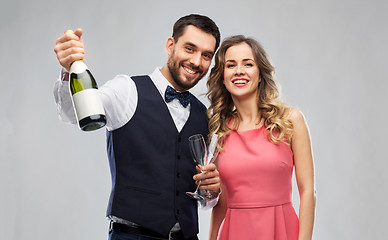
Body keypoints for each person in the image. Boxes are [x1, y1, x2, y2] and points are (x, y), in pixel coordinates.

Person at [53, 14, 221, 240]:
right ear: (170, 45)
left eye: (206, 55)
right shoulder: (127, 90)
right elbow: (72, 112)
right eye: (189, 49)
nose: (196, 61)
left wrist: (211, 191)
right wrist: (68, 70)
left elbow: (202, 196)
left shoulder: (204, 114)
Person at [206, 35, 316, 240]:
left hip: (281, 230)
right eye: (231, 65)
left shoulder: (290, 120)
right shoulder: (219, 130)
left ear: (260, 73)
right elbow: (222, 202)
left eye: (248, 64)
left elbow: (308, 191)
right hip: (234, 232)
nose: (239, 70)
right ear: (222, 76)